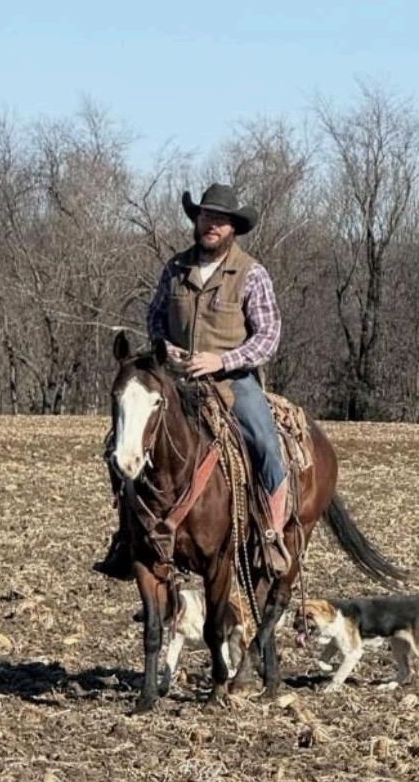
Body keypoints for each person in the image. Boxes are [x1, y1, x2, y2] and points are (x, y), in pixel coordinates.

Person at [94, 182, 290, 579]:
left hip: (232, 381)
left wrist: (222, 360)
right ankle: (127, 536)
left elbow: (268, 335)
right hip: (176, 377)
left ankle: (271, 535)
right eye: (206, 216)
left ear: (233, 228)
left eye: (220, 220)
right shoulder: (175, 269)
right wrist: (168, 350)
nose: (211, 225)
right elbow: (155, 318)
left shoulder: (251, 273)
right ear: (196, 221)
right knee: (121, 441)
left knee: (266, 444)